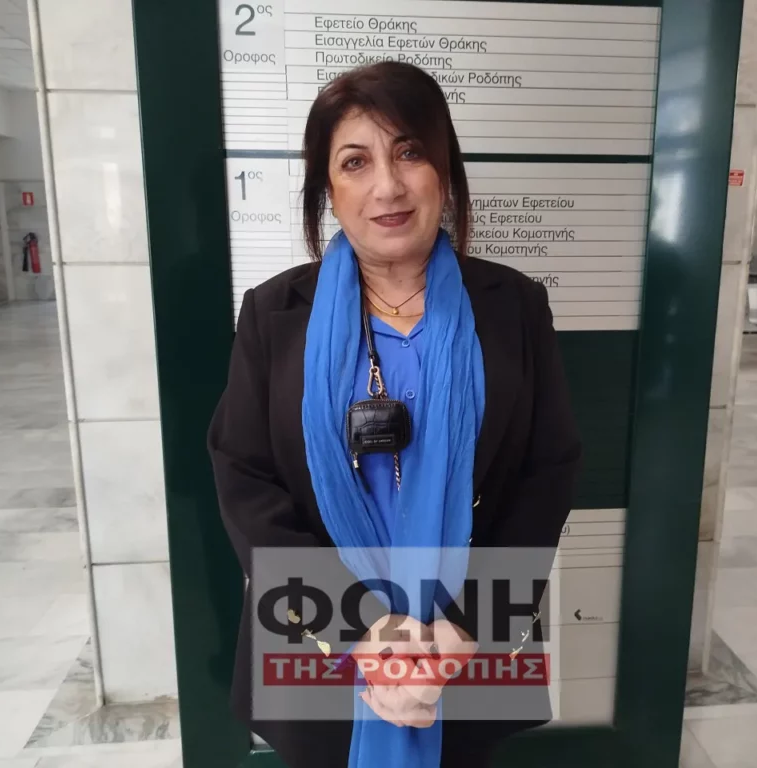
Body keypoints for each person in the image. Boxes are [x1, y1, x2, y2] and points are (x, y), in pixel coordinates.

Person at [208, 61, 581, 768]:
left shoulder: (513, 306)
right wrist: (363, 629)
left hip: (463, 642)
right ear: (328, 188)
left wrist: (463, 627)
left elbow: (548, 472)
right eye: (355, 162)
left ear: (444, 169)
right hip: (319, 639)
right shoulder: (274, 314)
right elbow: (246, 481)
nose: (387, 186)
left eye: (409, 152)